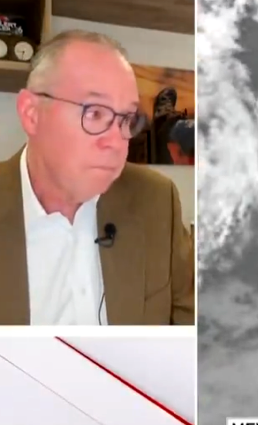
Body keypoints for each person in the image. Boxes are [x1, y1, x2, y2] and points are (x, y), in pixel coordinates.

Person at [0, 30, 194, 326]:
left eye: (127, 119)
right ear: (31, 114)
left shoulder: (156, 199)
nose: (116, 141)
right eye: (94, 113)